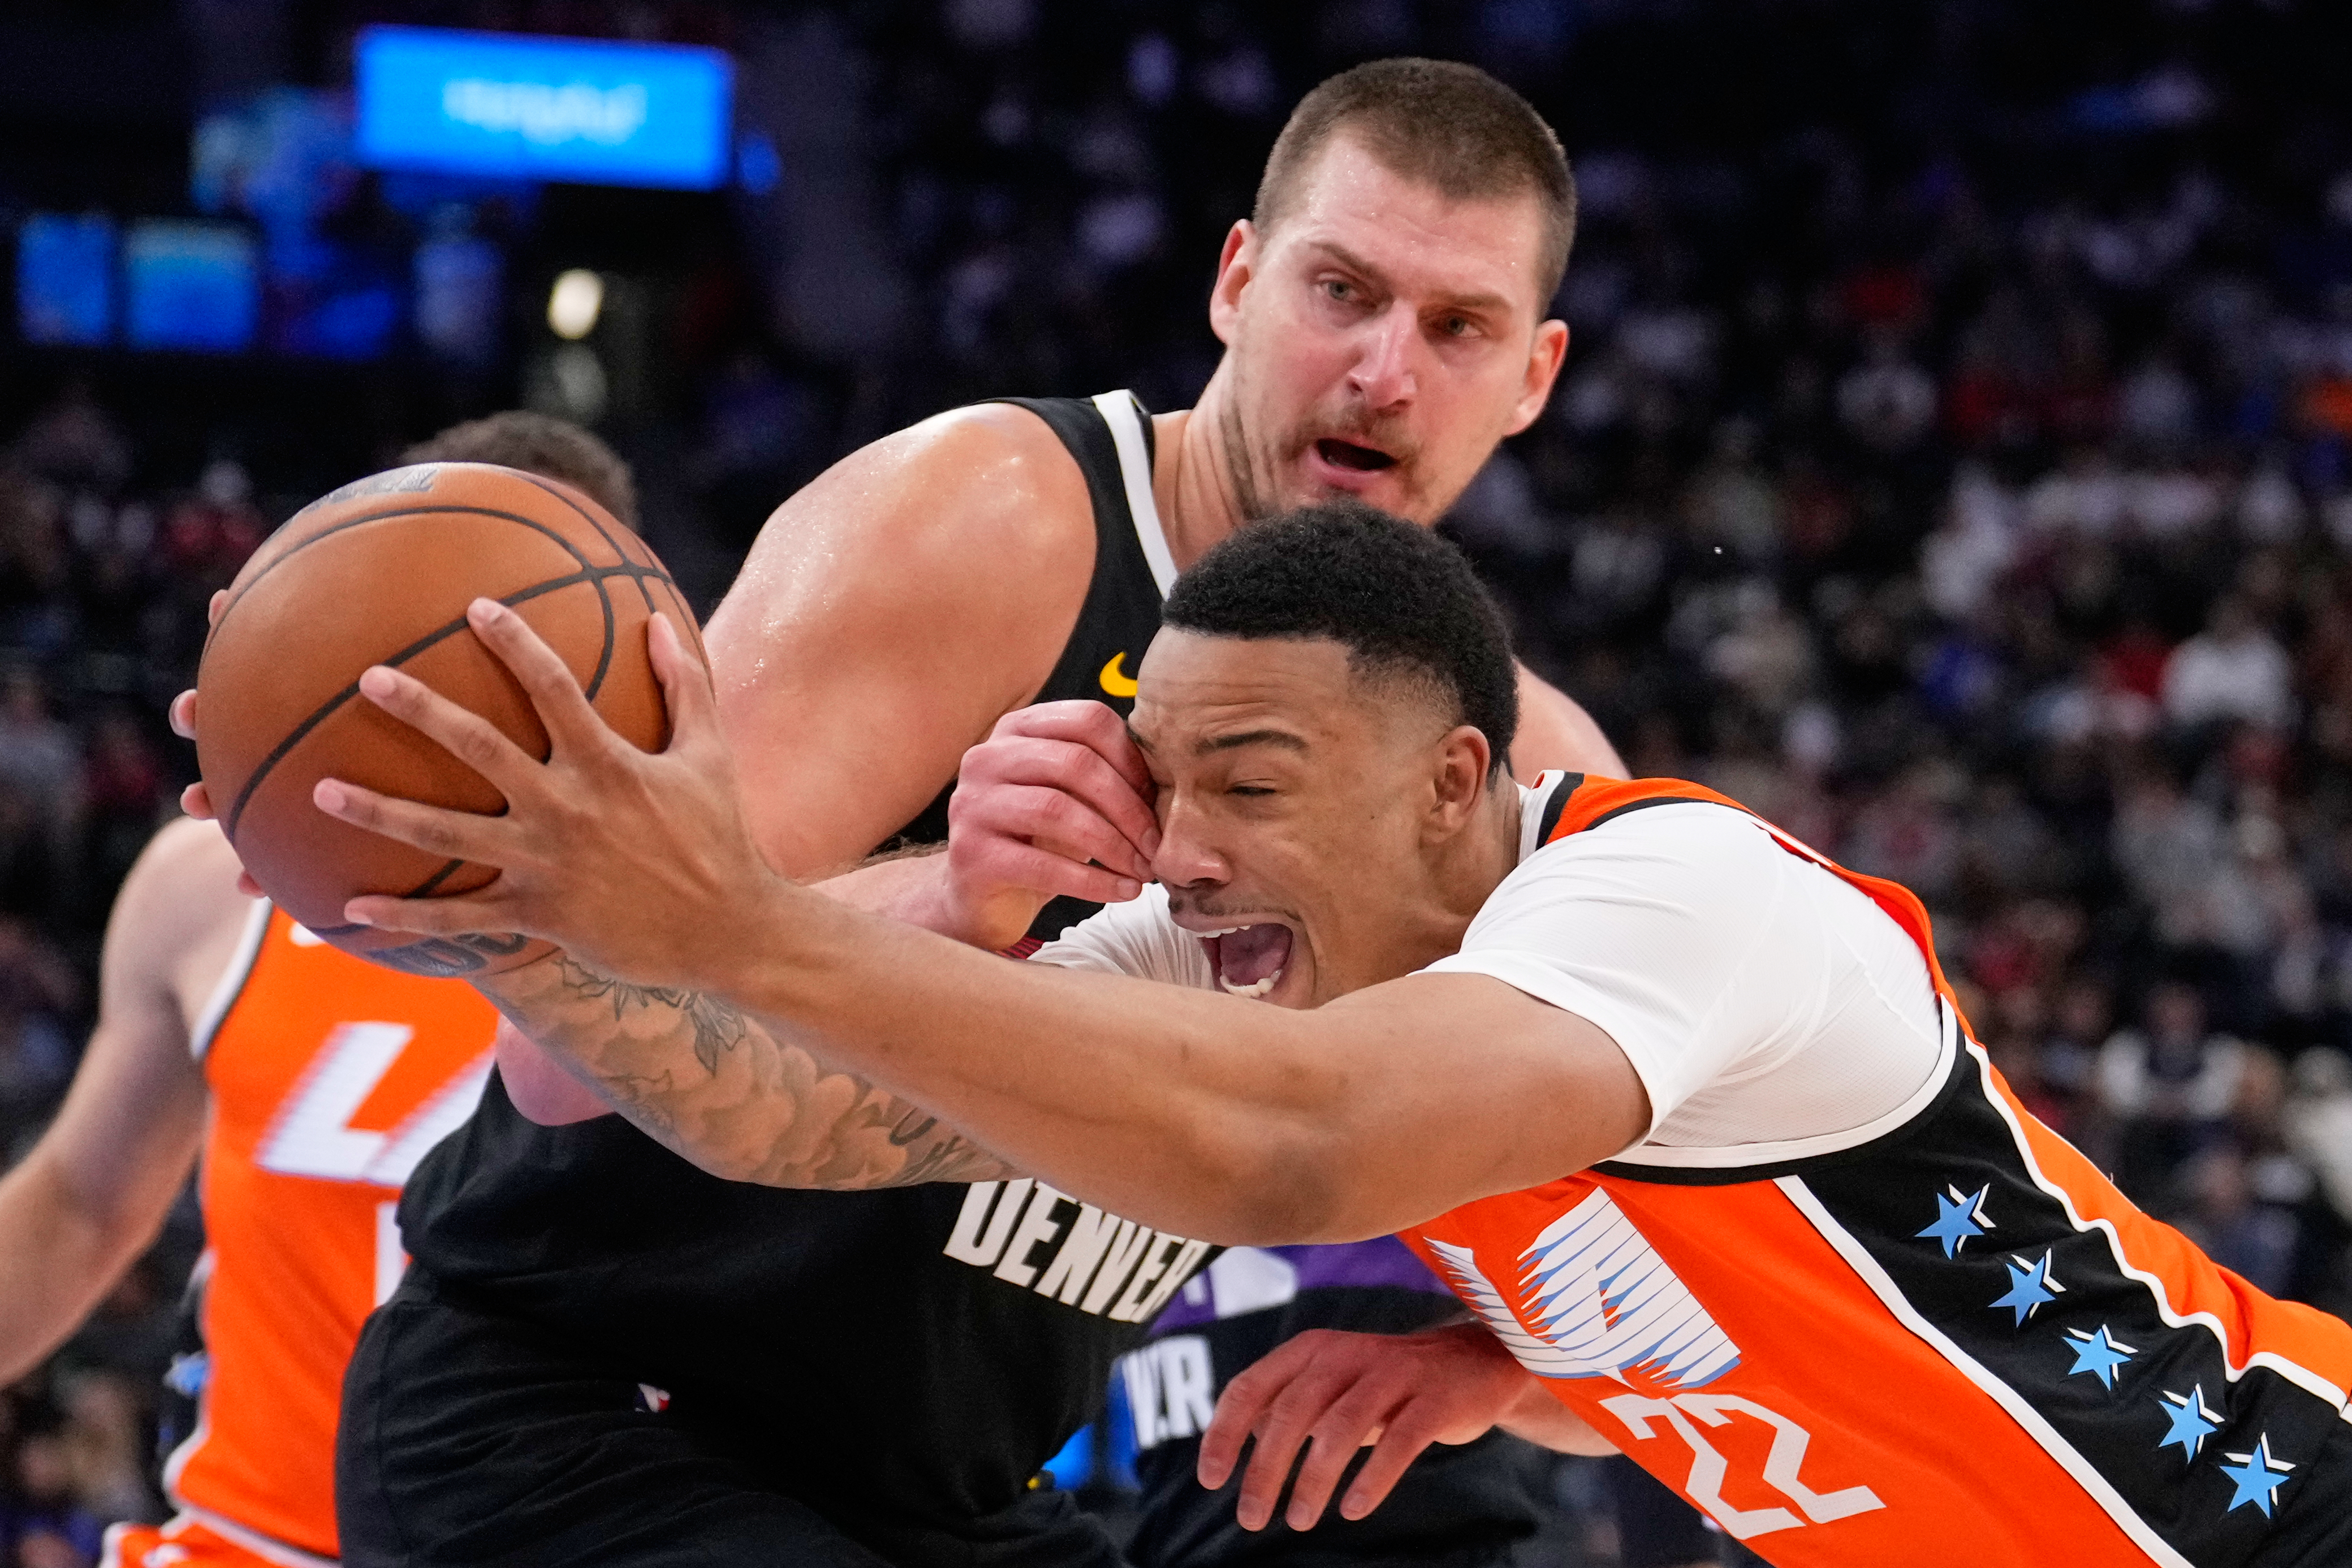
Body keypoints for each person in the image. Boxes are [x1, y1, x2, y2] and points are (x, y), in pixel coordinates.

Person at [179, 58, 1626, 1568]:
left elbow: (1687, 1280)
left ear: (1535, 375)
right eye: (1342, 291)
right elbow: (561, 1052)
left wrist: (1489, 1371)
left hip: (947, 1496)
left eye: (1457, 327)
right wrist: (949, 899)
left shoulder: (1521, 775)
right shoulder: (993, 521)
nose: (1385, 371)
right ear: (1236, 284)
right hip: (592, 1411)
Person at [314, 504, 2352, 1567]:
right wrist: (524, 921)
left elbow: (1297, 1150)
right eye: (1165, 779)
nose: (1184, 848)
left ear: (1454, 782)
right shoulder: (1254, 955)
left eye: (1254, 784)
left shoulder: (1674, 894)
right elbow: (802, 1117)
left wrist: (747, 919)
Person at [0, 413, 634, 1568]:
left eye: (516, 618)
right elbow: (79, 1208)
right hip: (248, 1543)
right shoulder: (212, 883)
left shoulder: (715, 920)